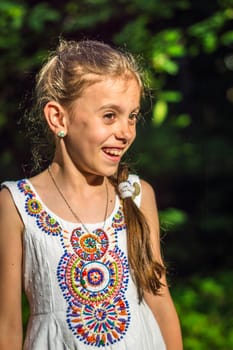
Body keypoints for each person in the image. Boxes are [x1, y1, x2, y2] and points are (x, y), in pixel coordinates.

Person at [0, 39, 183, 350]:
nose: (125, 132)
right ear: (59, 118)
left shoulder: (137, 195)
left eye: (132, 116)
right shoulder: (15, 205)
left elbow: (159, 299)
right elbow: (7, 324)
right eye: (109, 116)